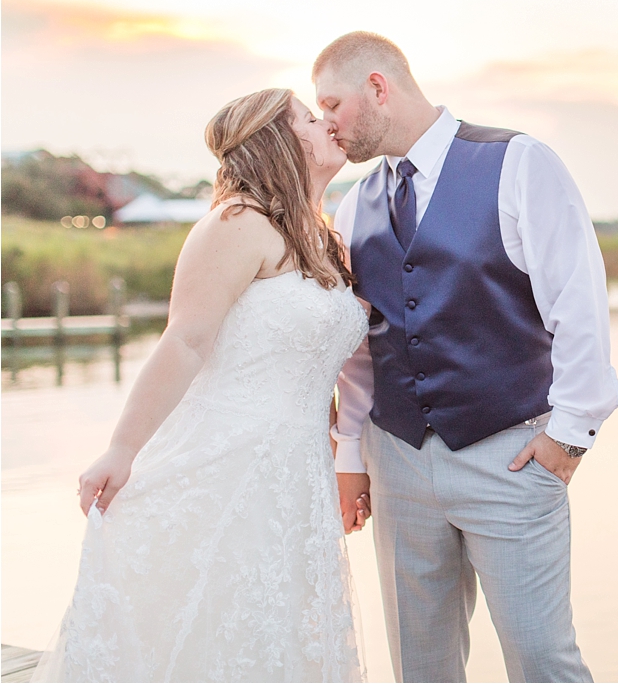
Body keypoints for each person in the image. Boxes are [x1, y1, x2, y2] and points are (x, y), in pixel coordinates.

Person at [34, 89, 370, 683]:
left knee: (275, 632)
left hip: (297, 478)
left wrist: (345, 449)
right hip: (226, 461)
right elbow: (184, 342)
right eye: (310, 120)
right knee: (213, 625)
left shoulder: (325, 240)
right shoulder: (237, 224)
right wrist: (122, 448)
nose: (328, 126)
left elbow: (311, 358)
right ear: (281, 142)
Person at [316, 31, 618, 683]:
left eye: (332, 105)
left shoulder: (518, 163)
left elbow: (579, 301)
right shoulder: (353, 207)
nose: (326, 125)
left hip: (509, 457)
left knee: (543, 661)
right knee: (421, 668)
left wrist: (568, 436)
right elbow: (359, 351)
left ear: (378, 87)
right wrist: (351, 458)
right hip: (396, 464)